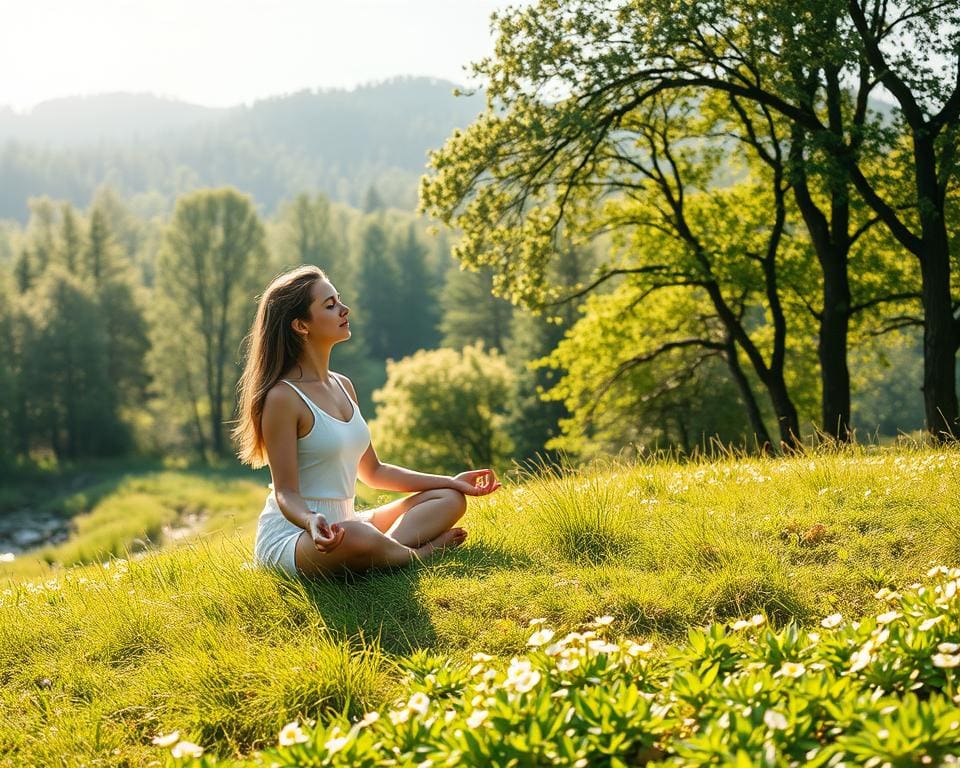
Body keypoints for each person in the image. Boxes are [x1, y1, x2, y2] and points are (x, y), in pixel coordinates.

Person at [233, 264, 501, 577]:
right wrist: (309, 520)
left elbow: (374, 471)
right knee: (358, 537)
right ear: (301, 326)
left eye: (339, 300)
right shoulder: (283, 398)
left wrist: (450, 481)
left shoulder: (343, 385)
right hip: (296, 537)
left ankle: (382, 553)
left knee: (449, 500)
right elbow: (286, 493)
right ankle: (417, 555)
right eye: (330, 306)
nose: (344, 309)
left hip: (348, 525)